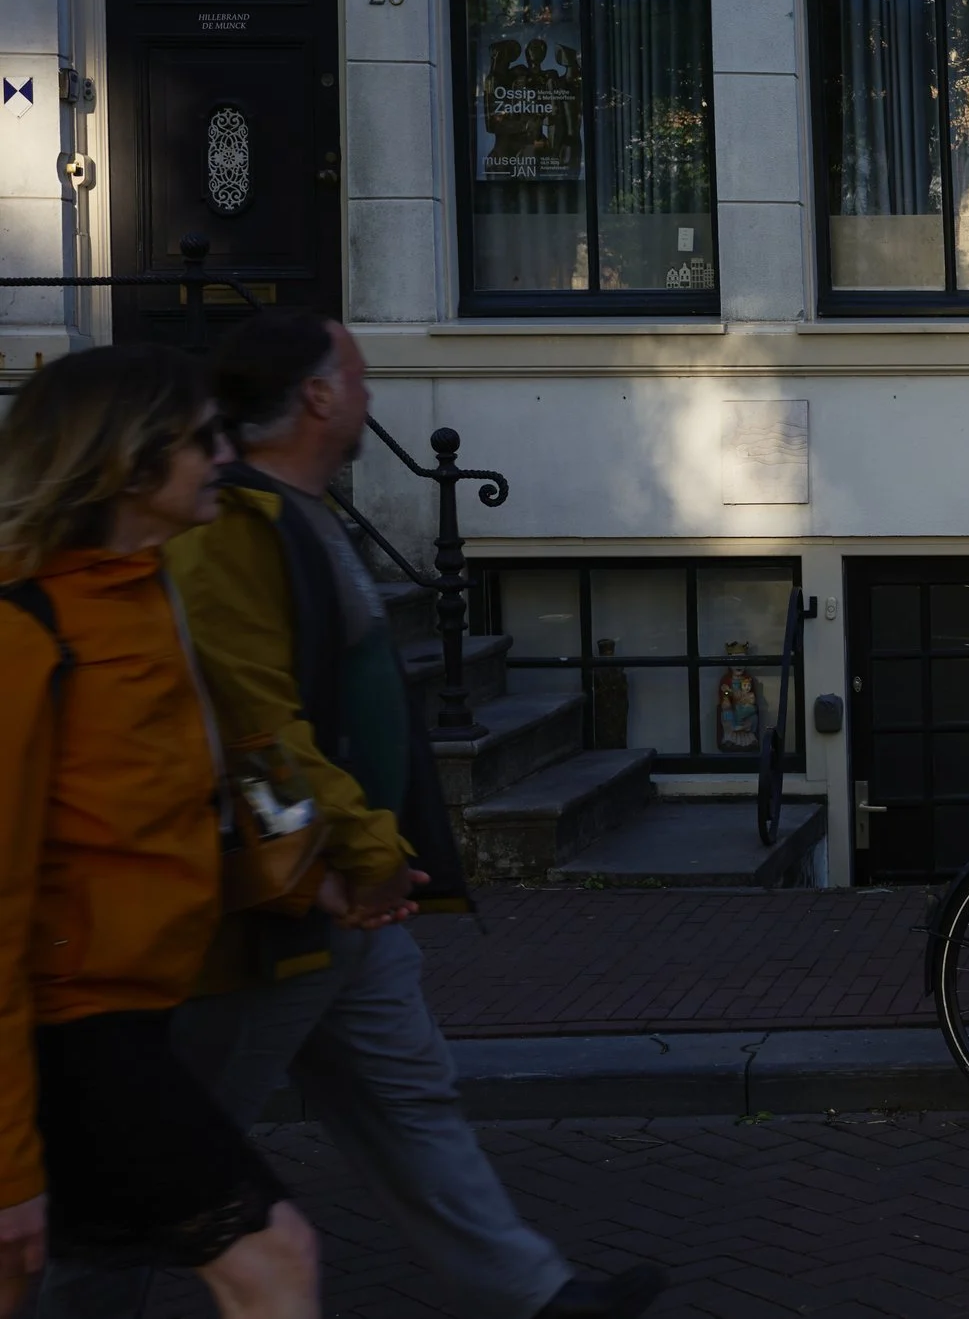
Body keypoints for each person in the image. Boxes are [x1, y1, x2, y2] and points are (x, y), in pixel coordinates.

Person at [34, 312, 664, 1319]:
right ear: (321, 396)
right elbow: (255, 726)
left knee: (403, 1107)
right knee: (162, 1186)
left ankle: (529, 1294)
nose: (375, 397)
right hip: (232, 934)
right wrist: (352, 845)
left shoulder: (258, 533)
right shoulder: (206, 545)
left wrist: (352, 859)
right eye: (361, 378)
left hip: (322, 901)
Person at [0, 344, 323, 1319]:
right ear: (130, 464)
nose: (226, 455)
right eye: (203, 439)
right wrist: (10, 1158)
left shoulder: (152, 593)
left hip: (137, 1013)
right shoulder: (27, 631)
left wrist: (317, 872)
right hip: (72, 1035)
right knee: (274, 1260)